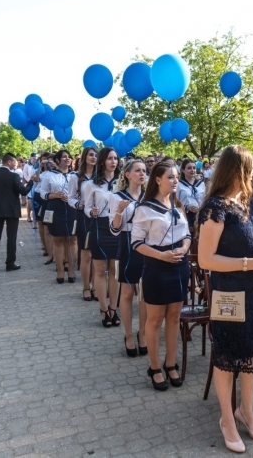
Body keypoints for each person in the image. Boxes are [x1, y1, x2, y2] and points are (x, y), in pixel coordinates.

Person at [197, 146, 253, 452]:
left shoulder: (247, 203)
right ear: (234, 170)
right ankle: (226, 420)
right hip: (229, 295)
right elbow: (206, 259)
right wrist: (250, 264)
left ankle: (246, 412)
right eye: (248, 168)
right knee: (228, 356)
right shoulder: (215, 208)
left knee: (252, 353)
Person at [132, 160, 191, 391]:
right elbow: (136, 243)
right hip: (157, 267)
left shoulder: (178, 205)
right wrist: (161, 255)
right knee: (155, 319)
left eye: (176, 176)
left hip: (180, 264)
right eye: (170, 177)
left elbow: (187, 234)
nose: (175, 180)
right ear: (157, 180)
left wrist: (185, 249)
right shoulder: (144, 208)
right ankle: (154, 367)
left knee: (175, 317)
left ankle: (171, 363)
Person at [110, 159, 148, 357]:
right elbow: (114, 229)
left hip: (147, 245)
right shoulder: (117, 197)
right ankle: (128, 334)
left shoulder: (150, 196)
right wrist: (119, 211)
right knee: (127, 291)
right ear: (127, 174)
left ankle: (142, 333)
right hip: (126, 243)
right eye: (138, 171)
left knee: (143, 294)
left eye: (144, 171)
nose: (142, 174)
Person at [84, 147, 121, 327]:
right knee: (100, 270)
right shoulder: (91, 184)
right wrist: (91, 211)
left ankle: (114, 309)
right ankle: (103, 308)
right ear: (102, 161)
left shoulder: (123, 182)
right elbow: (86, 207)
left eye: (115, 158)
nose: (113, 162)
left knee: (115, 270)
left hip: (117, 228)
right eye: (109, 158)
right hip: (98, 227)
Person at [0, 153, 32, 272]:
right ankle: (10, 263)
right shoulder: (14, 176)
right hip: (11, 209)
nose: (15, 164)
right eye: (14, 161)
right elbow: (24, 191)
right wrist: (31, 182)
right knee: (11, 237)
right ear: (9, 162)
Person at [40, 150, 78, 284]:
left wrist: (73, 197)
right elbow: (42, 193)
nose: (67, 159)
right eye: (64, 157)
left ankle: (72, 270)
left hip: (72, 207)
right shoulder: (49, 175)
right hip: (55, 207)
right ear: (57, 160)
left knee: (72, 239)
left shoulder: (76, 175)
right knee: (58, 239)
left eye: (69, 157)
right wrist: (55, 195)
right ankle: (60, 270)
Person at [74, 147, 97, 301]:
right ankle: (86, 287)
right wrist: (79, 204)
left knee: (98, 255)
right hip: (83, 217)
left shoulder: (100, 177)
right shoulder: (76, 177)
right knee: (86, 253)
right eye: (90, 155)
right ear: (84, 157)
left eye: (96, 155)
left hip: (99, 217)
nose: (94, 157)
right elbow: (70, 198)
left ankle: (96, 286)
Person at [177, 158, 205, 230]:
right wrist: (186, 207)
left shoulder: (201, 184)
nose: (192, 170)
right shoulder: (179, 185)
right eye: (189, 168)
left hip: (199, 215)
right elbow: (175, 202)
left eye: (194, 168)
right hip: (185, 216)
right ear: (183, 170)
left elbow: (204, 200)